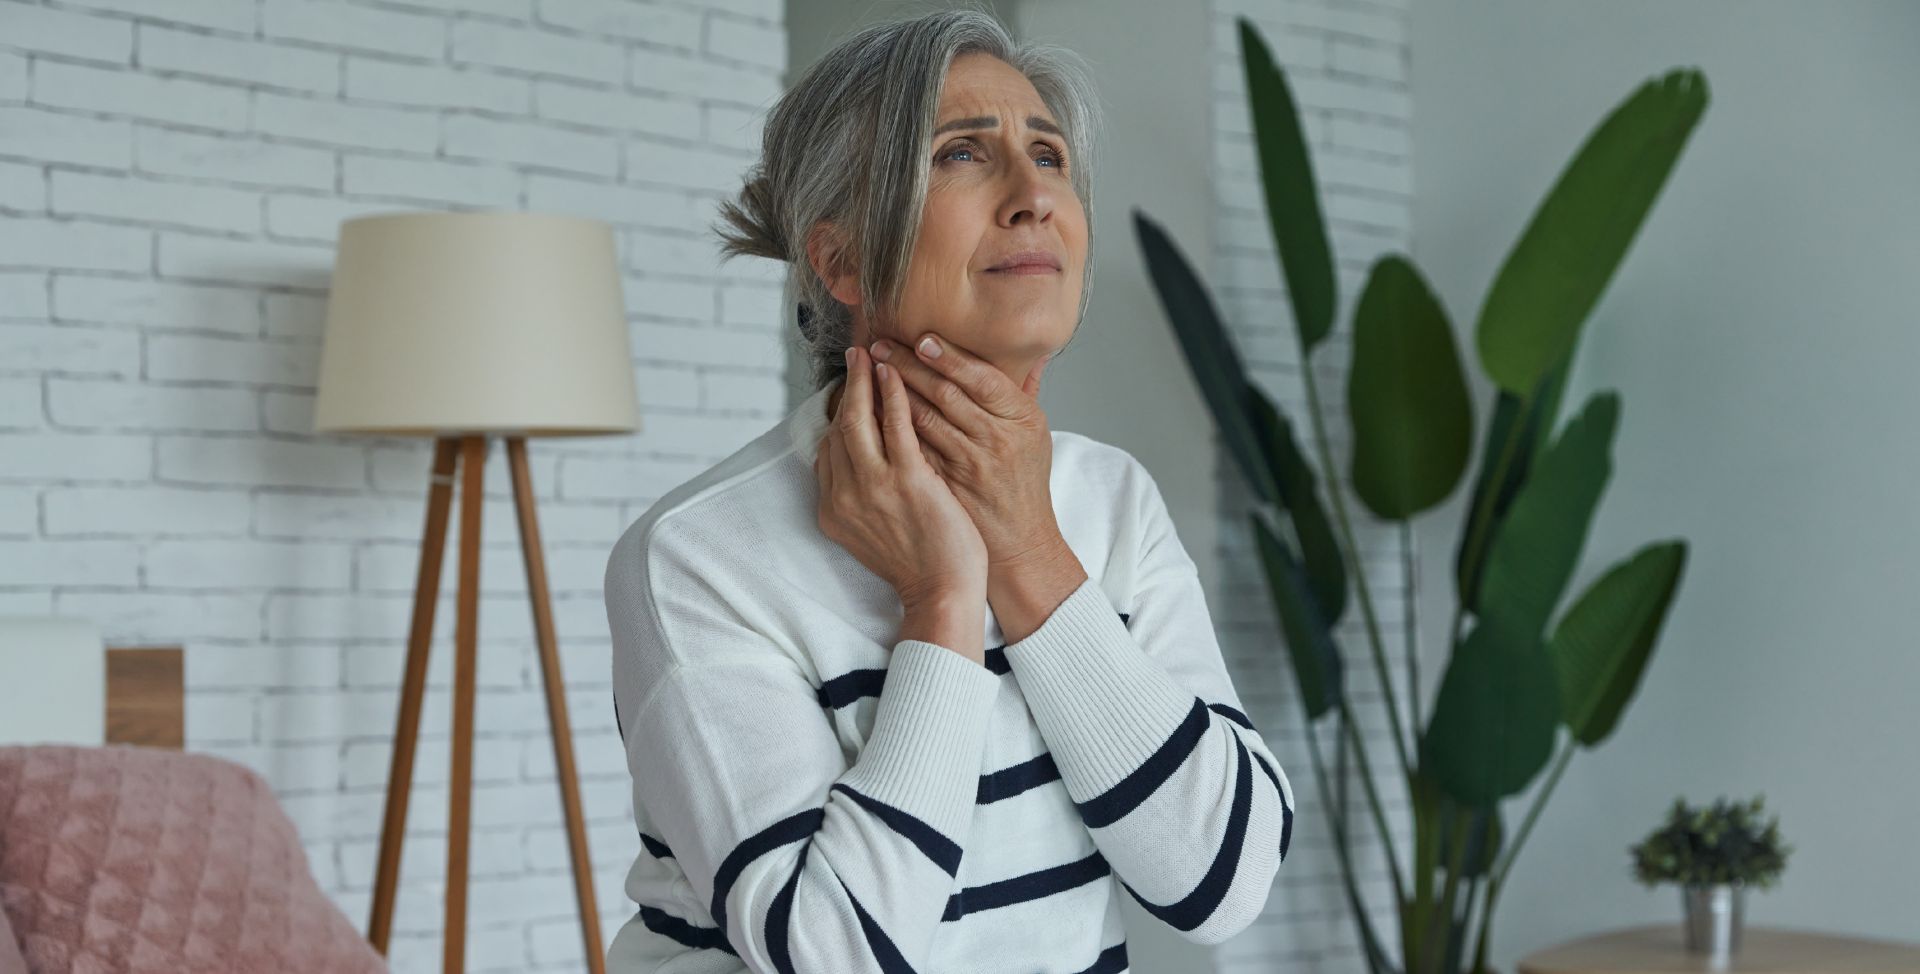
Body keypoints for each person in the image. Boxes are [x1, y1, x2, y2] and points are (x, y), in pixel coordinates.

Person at [602, 9, 1296, 972]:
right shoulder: (698, 555)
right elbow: (838, 954)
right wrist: (942, 602)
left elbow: (1222, 884)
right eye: (963, 154)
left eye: (1049, 155)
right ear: (839, 259)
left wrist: (1029, 553)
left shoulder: (1113, 503)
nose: (1033, 197)